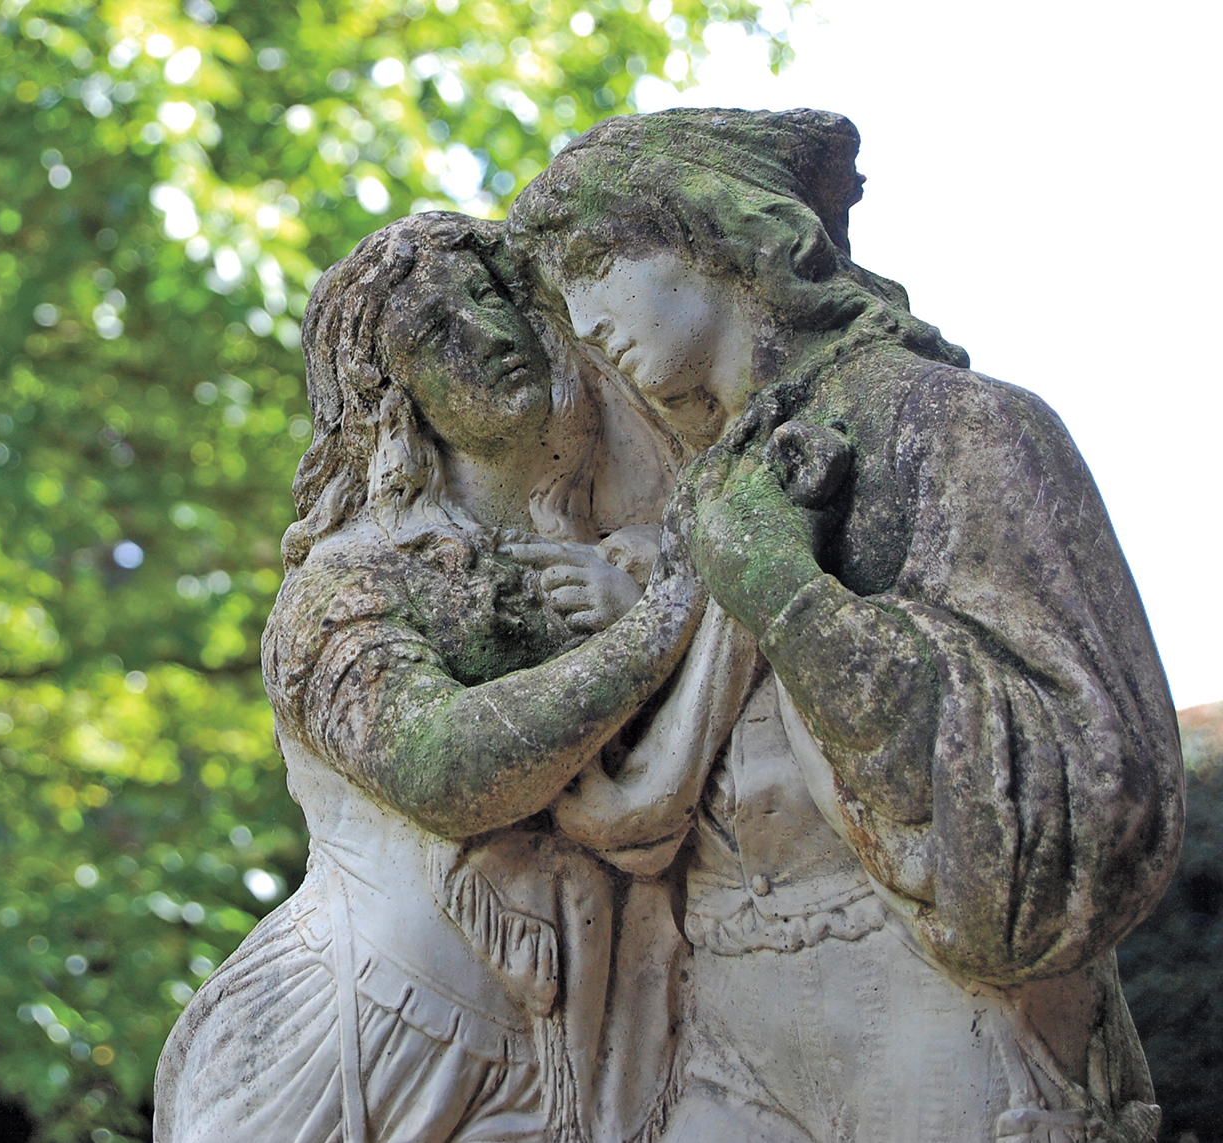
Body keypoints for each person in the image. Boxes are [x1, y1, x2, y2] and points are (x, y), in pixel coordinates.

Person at [510, 107, 1182, 1143]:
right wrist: (651, 632)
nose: (584, 316)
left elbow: (1088, 787)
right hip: (718, 1022)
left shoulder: (952, 425)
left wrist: (787, 597)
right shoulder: (703, 497)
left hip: (933, 1015)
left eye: (598, 259)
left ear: (716, 234)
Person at [153, 211, 755, 1143]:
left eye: (489, 297)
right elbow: (444, 766)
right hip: (362, 1055)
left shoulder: (613, 556)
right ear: (397, 397)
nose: (488, 333)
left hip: (580, 1048)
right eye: (438, 332)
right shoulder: (343, 586)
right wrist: (670, 621)